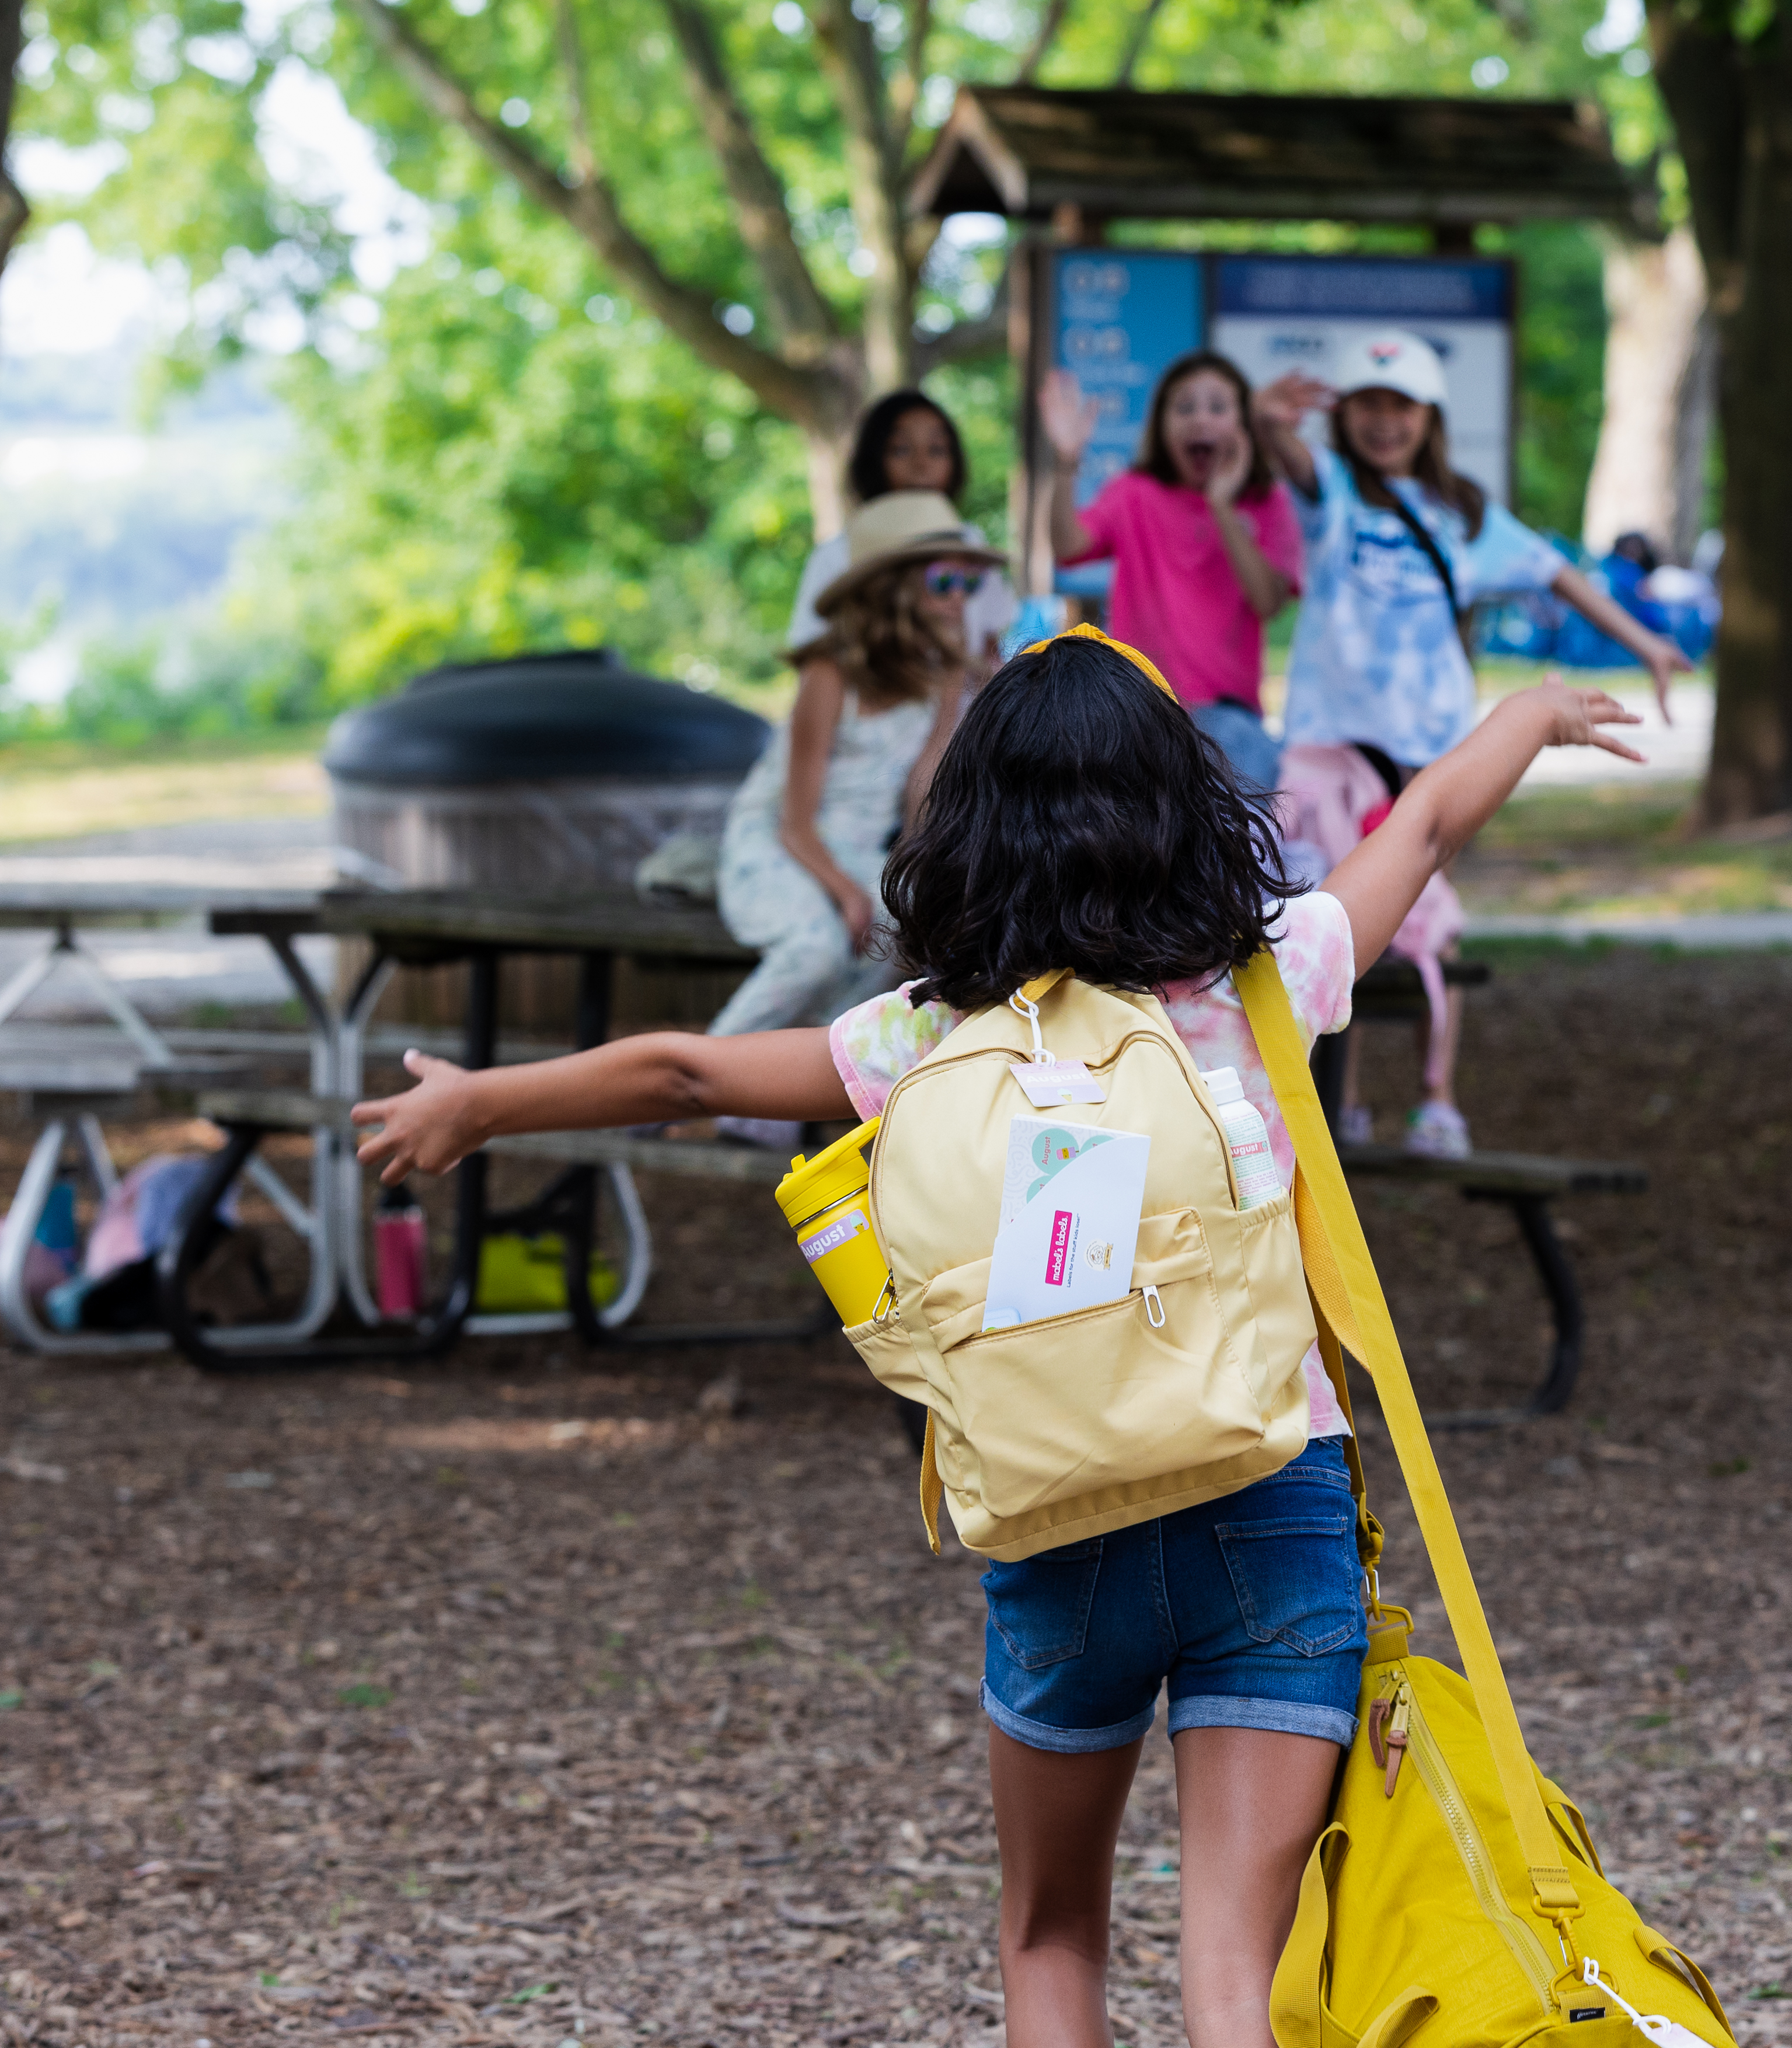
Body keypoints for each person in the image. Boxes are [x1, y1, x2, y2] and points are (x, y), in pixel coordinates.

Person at [351, 632, 1644, 2048]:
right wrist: (1526, 714)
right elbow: (1431, 818)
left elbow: (686, 1068)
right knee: (1235, 1983)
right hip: (1271, 1497)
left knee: (1048, 1940)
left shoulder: (925, 1041)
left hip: (1057, 1521)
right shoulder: (1267, 980)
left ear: (974, 826)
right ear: (1177, 805)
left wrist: (480, 1103)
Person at [1251, 327, 1688, 1159]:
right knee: (1340, 915)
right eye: (1369, 405)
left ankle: (1436, 1096)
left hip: (1434, 754)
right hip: (1334, 751)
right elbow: (1294, 463)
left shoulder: (1466, 514)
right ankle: (1334, 1099)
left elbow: (1557, 572)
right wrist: (1269, 423)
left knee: (1426, 919)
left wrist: (1646, 643)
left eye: (1402, 406)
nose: (1386, 422)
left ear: (1430, 416)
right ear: (1345, 415)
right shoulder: (1335, 490)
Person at [704, 491, 998, 1147]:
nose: (960, 597)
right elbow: (793, 820)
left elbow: (918, 816)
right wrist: (842, 889)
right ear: (895, 587)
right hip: (783, 846)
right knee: (813, 946)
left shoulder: (942, 676)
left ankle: (801, 1089)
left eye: (969, 580)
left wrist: (953, 694)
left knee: (917, 917)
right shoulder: (829, 669)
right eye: (943, 579)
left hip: (861, 853)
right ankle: (703, 1081)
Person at [1036, 352, 1302, 789]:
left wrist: (1220, 504)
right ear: (1161, 425)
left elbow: (1269, 601)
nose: (1200, 419)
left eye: (1218, 407)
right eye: (1184, 407)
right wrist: (1066, 461)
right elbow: (1067, 546)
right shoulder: (1134, 493)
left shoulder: (1266, 502)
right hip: (1142, 713)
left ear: (1244, 425)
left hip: (1229, 721)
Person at [787, 389, 1019, 662]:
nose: (921, 464)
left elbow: (990, 649)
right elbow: (812, 656)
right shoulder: (837, 554)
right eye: (901, 449)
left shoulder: (970, 543)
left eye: (936, 450)